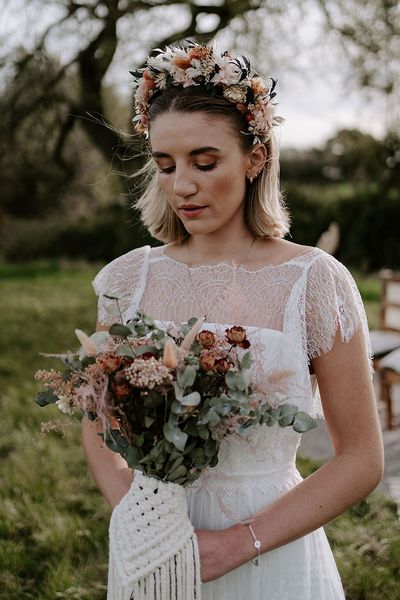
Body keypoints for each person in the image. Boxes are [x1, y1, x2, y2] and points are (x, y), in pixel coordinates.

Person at [82, 41, 384, 599]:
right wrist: (141, 519)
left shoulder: (315, 283)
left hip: (272, 546)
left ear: (255, 157)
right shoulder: (128, 282)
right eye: (165, 165)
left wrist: (238, 542)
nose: (182, 186)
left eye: (204, 161)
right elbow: (99, 424)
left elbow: (362, 459)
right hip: (153, 548)